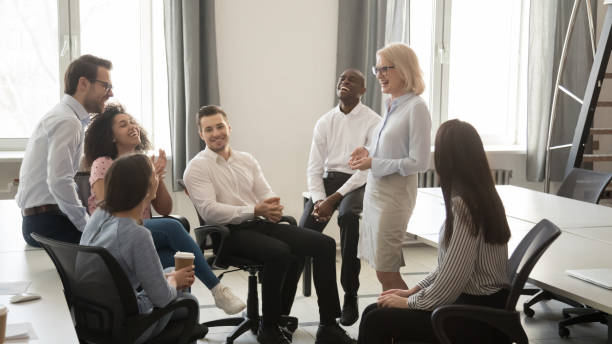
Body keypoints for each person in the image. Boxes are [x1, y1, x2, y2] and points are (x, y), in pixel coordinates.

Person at [183, 105, 355, 344]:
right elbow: (210, 211)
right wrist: (254, 209)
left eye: (220, 126)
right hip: (227, 234)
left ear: (229, 127)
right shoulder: (197, 167)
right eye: (208, 129)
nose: (216, 133)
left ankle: (328, 326)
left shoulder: (246, 160)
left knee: (324, 245)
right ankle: (270, 328)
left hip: (258, 224)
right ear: (201, 134)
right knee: (281, 253)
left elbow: (266, 194)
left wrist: (273, 208)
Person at [357, 119, 512, 344]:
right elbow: (448, 267)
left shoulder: (464, 205)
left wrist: (411, 303)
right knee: (375, 311)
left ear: (446, 158)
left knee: (376, 319)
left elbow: (453, 279)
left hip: (475, 316)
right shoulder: (482, 195)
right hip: (480, 306)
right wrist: (413, 291)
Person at [83, 103, 245, 315]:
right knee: (173, 227)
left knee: (179, 259)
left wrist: (155, 177)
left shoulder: (143, 164)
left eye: (132, 122)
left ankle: (184, 321)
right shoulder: (105, 164)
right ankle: (212, 293)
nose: (132, 126)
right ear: (111, 135)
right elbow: (115, 205)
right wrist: (146, 181)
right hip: (119, 236)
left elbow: (165, 208)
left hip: (108, 303)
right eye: (124, 124)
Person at [80, 153, 205, 344]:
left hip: (93, 320)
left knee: (171, 272)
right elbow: (162, 299)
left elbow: (119, 275)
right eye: (153, 176)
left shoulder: (99, 217)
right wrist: (174, 281)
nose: (156, 179)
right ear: (145, 188)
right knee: (189, 302)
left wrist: (170, 277)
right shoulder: (136, 234)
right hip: (127, 327)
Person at [299, 68, 380, 326]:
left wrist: (334, 199)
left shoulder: (374, 121)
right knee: (302, 232)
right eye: (342, 79)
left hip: (358, 182)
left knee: (347, 217)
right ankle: (280, 304)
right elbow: (314, 167)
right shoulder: (325, 121)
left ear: (363, 91)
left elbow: (364, 172)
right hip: (329, 180)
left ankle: (350, 295)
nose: (344, 82)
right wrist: (320, 199)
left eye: (351, 80)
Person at [349, 43, 431, 291]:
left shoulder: (416, 108)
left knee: (387, 270)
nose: (381, 75)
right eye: (378, 69)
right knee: (381, 271)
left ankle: (406, 324)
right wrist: (368, 153)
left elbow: (420, 162)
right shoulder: (391, 106)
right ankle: (393, 326)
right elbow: (388, 151)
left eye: (386, 68)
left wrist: (373, 162)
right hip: (374, 195)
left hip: (394, 199)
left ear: (405, 69)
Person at [16, 54, 113, 247]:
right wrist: (86, 226)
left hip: (41, 220)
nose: (110, 94)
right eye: (106, 86)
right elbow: (59, 181)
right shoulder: (68, 121)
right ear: (83, 83)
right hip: (49, 223)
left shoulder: (63, 116)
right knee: (124, 245)